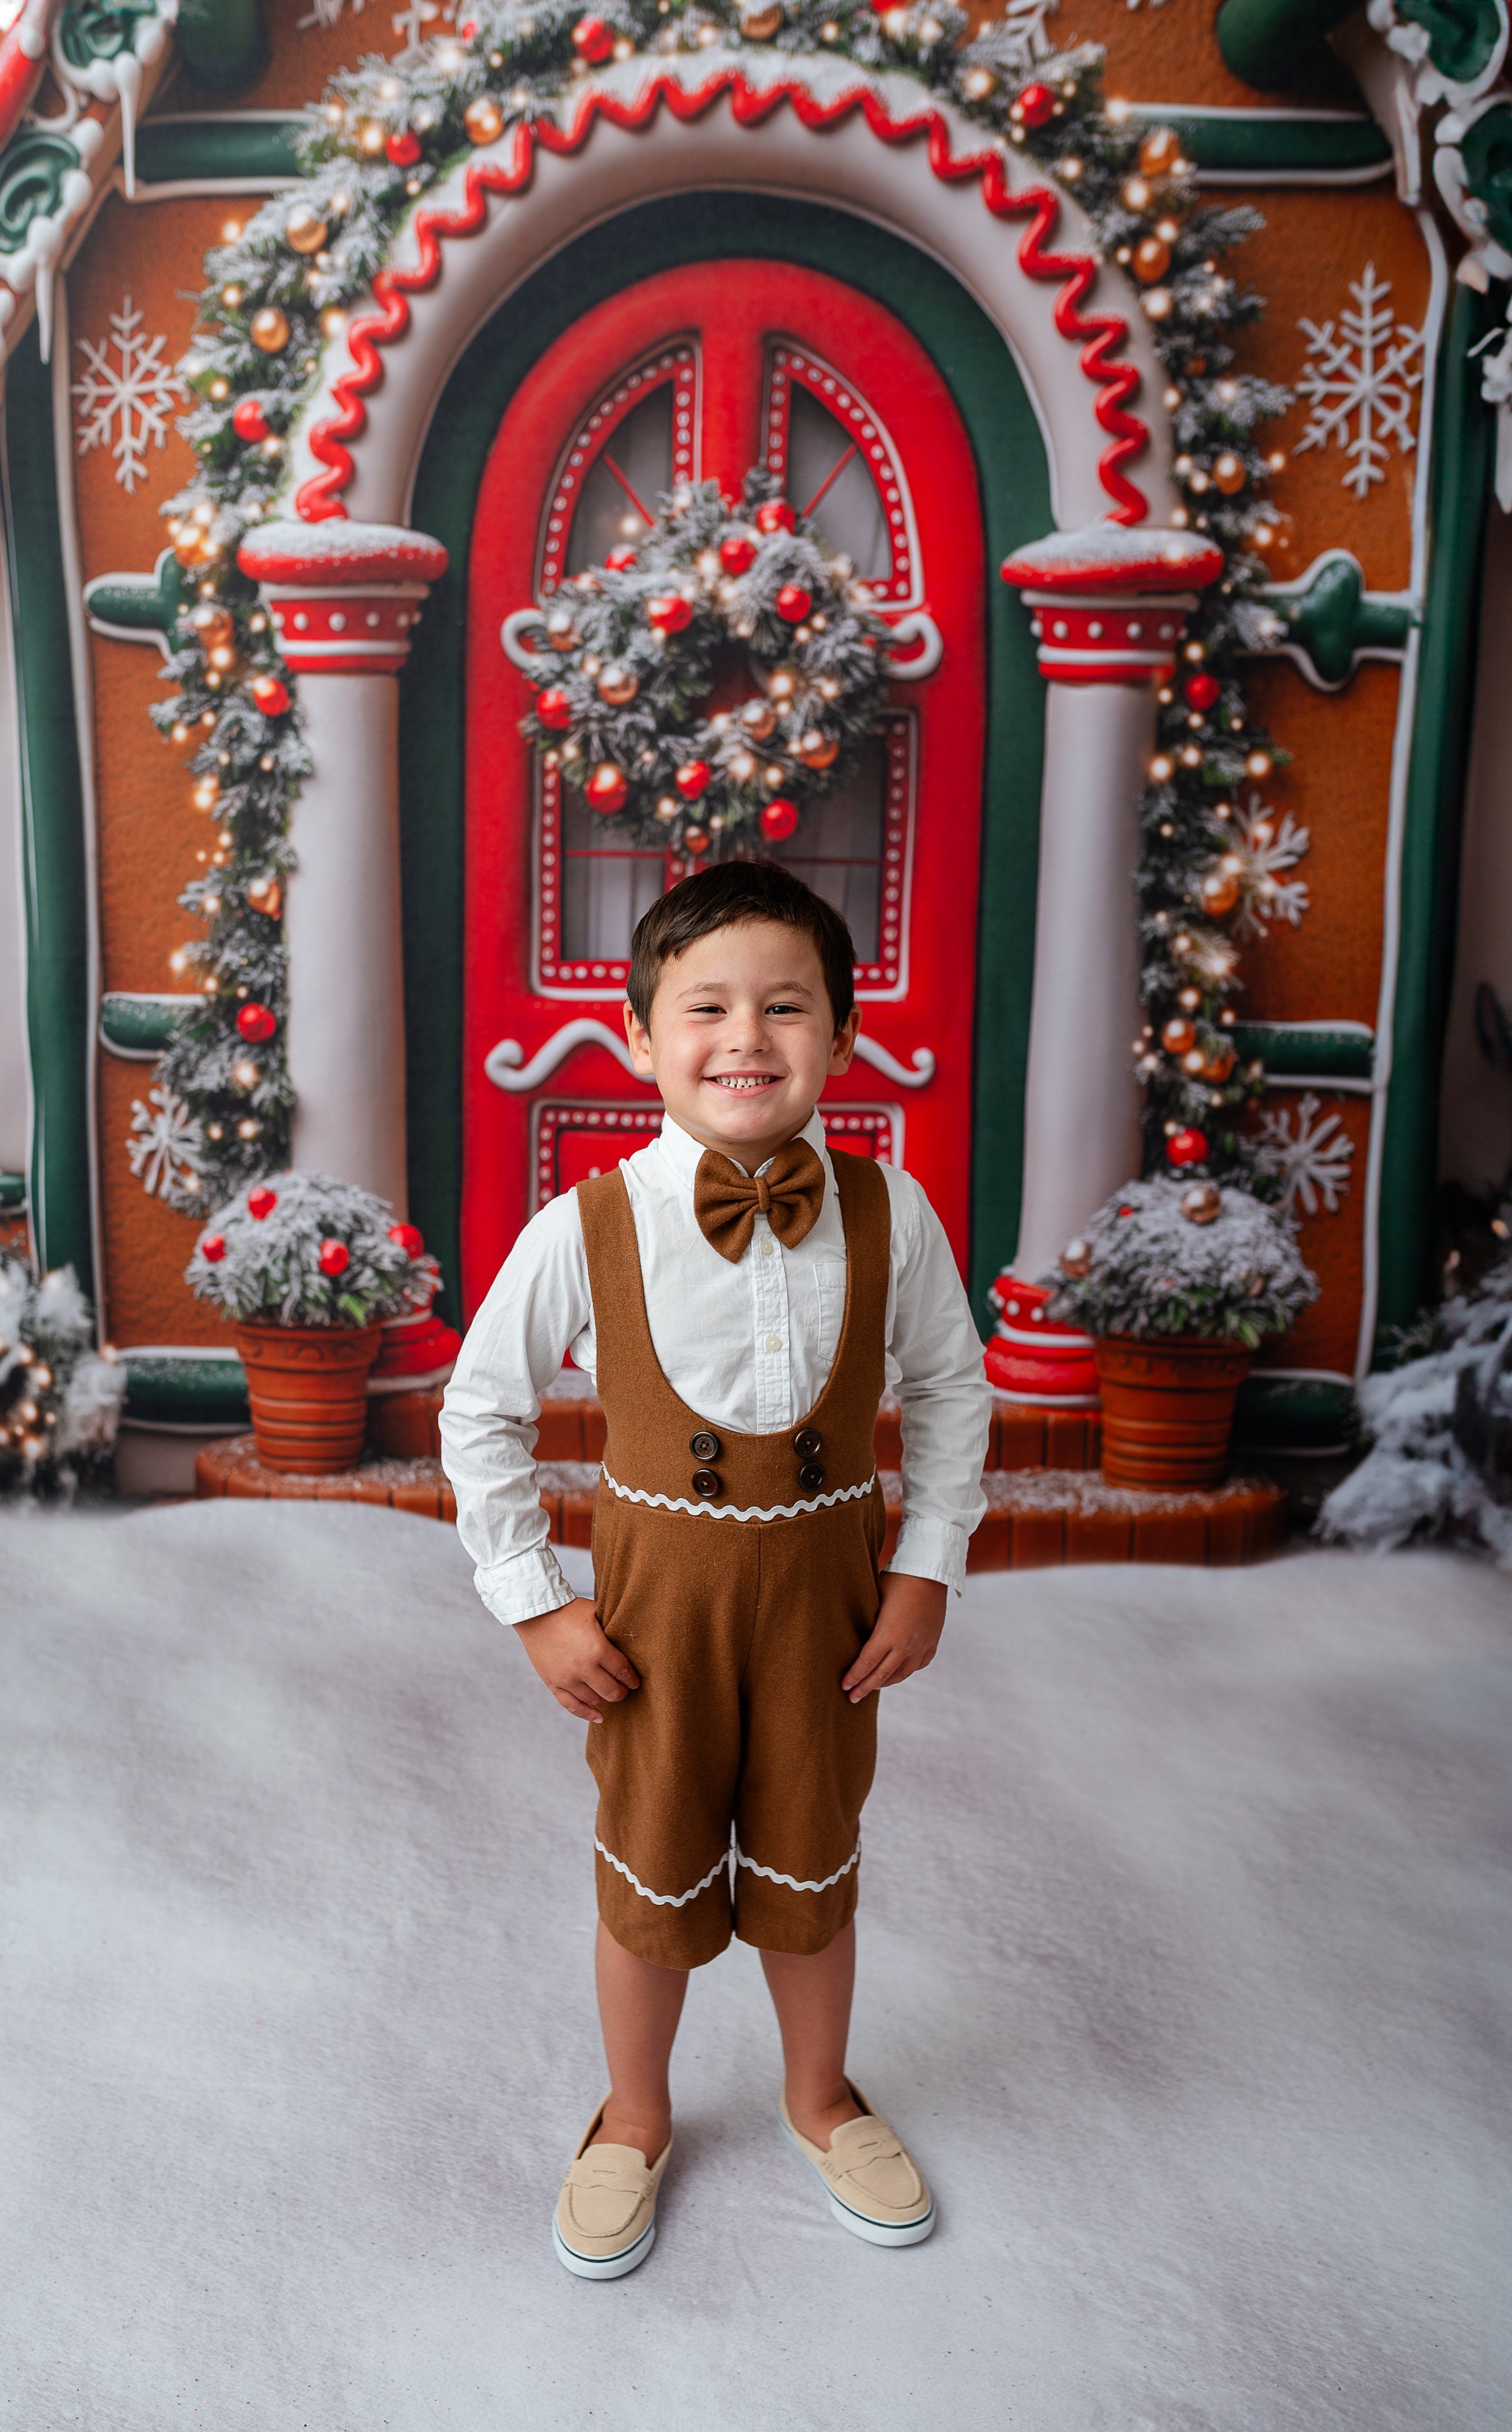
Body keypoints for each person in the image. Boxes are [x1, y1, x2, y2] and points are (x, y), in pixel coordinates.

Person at [441, 859, 991, 2277]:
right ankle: (633, 2113)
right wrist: (534, 1604)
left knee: (813, 1855)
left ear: (841, 1037)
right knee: (651, 1861)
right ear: (638, 1037)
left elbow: (947, 1387)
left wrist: (926, 1563)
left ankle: (821, 2096)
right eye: (706, 1007)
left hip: (826, 1607)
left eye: (785, 1006)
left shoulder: (893, 1215)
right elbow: (478, 1407)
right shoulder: (590, 1224)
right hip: (655, 1616)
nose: (745, 1037)